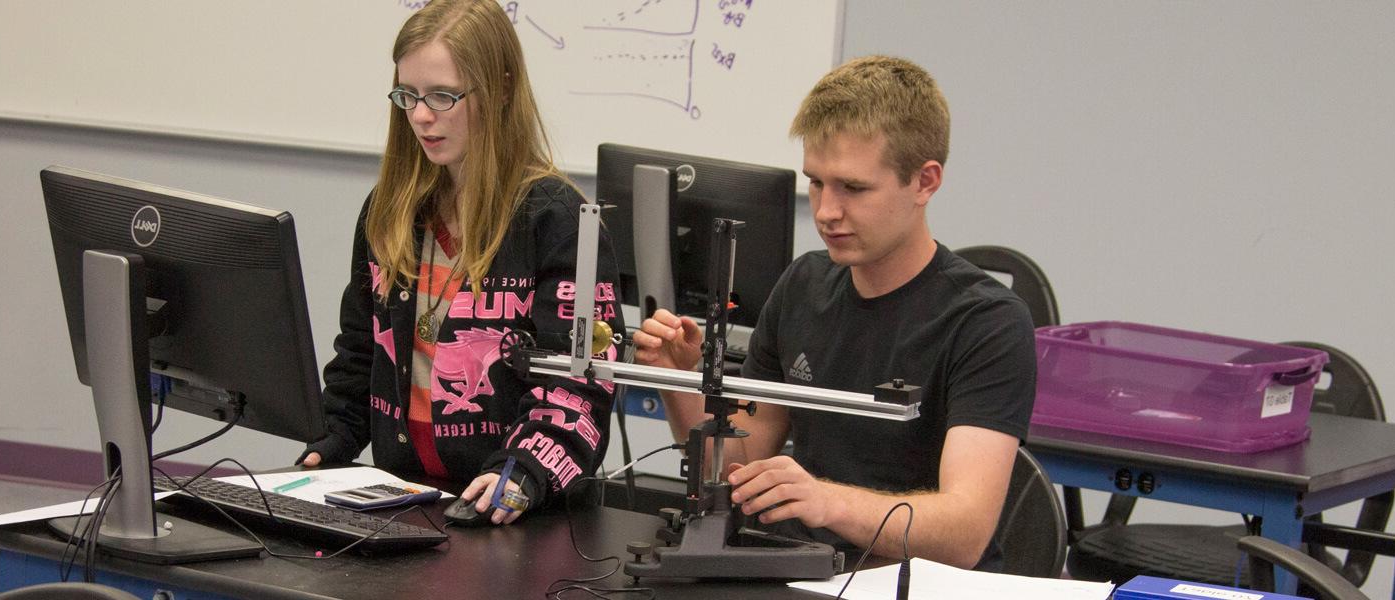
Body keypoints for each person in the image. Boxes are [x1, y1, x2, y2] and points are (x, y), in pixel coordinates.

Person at [631, 55, 1035, 569]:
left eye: (854, 187)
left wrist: (829, 501)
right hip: (805, 570)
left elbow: (965, 533)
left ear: (925, 181)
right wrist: (678, 380)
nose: (825, 211)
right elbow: (738, 467)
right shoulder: (803, 284)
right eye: (817, 183)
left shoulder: (987, 323)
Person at [300, 0, 624, 527]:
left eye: (443, 96)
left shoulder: (556, 221)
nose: (422, 116)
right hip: (407, 499)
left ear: (498, 91)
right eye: (408, 96)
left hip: (516, 510)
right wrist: (332, 439)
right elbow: (361, 354)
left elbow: (581, 385)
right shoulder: (390, 211)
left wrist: (521, 472)